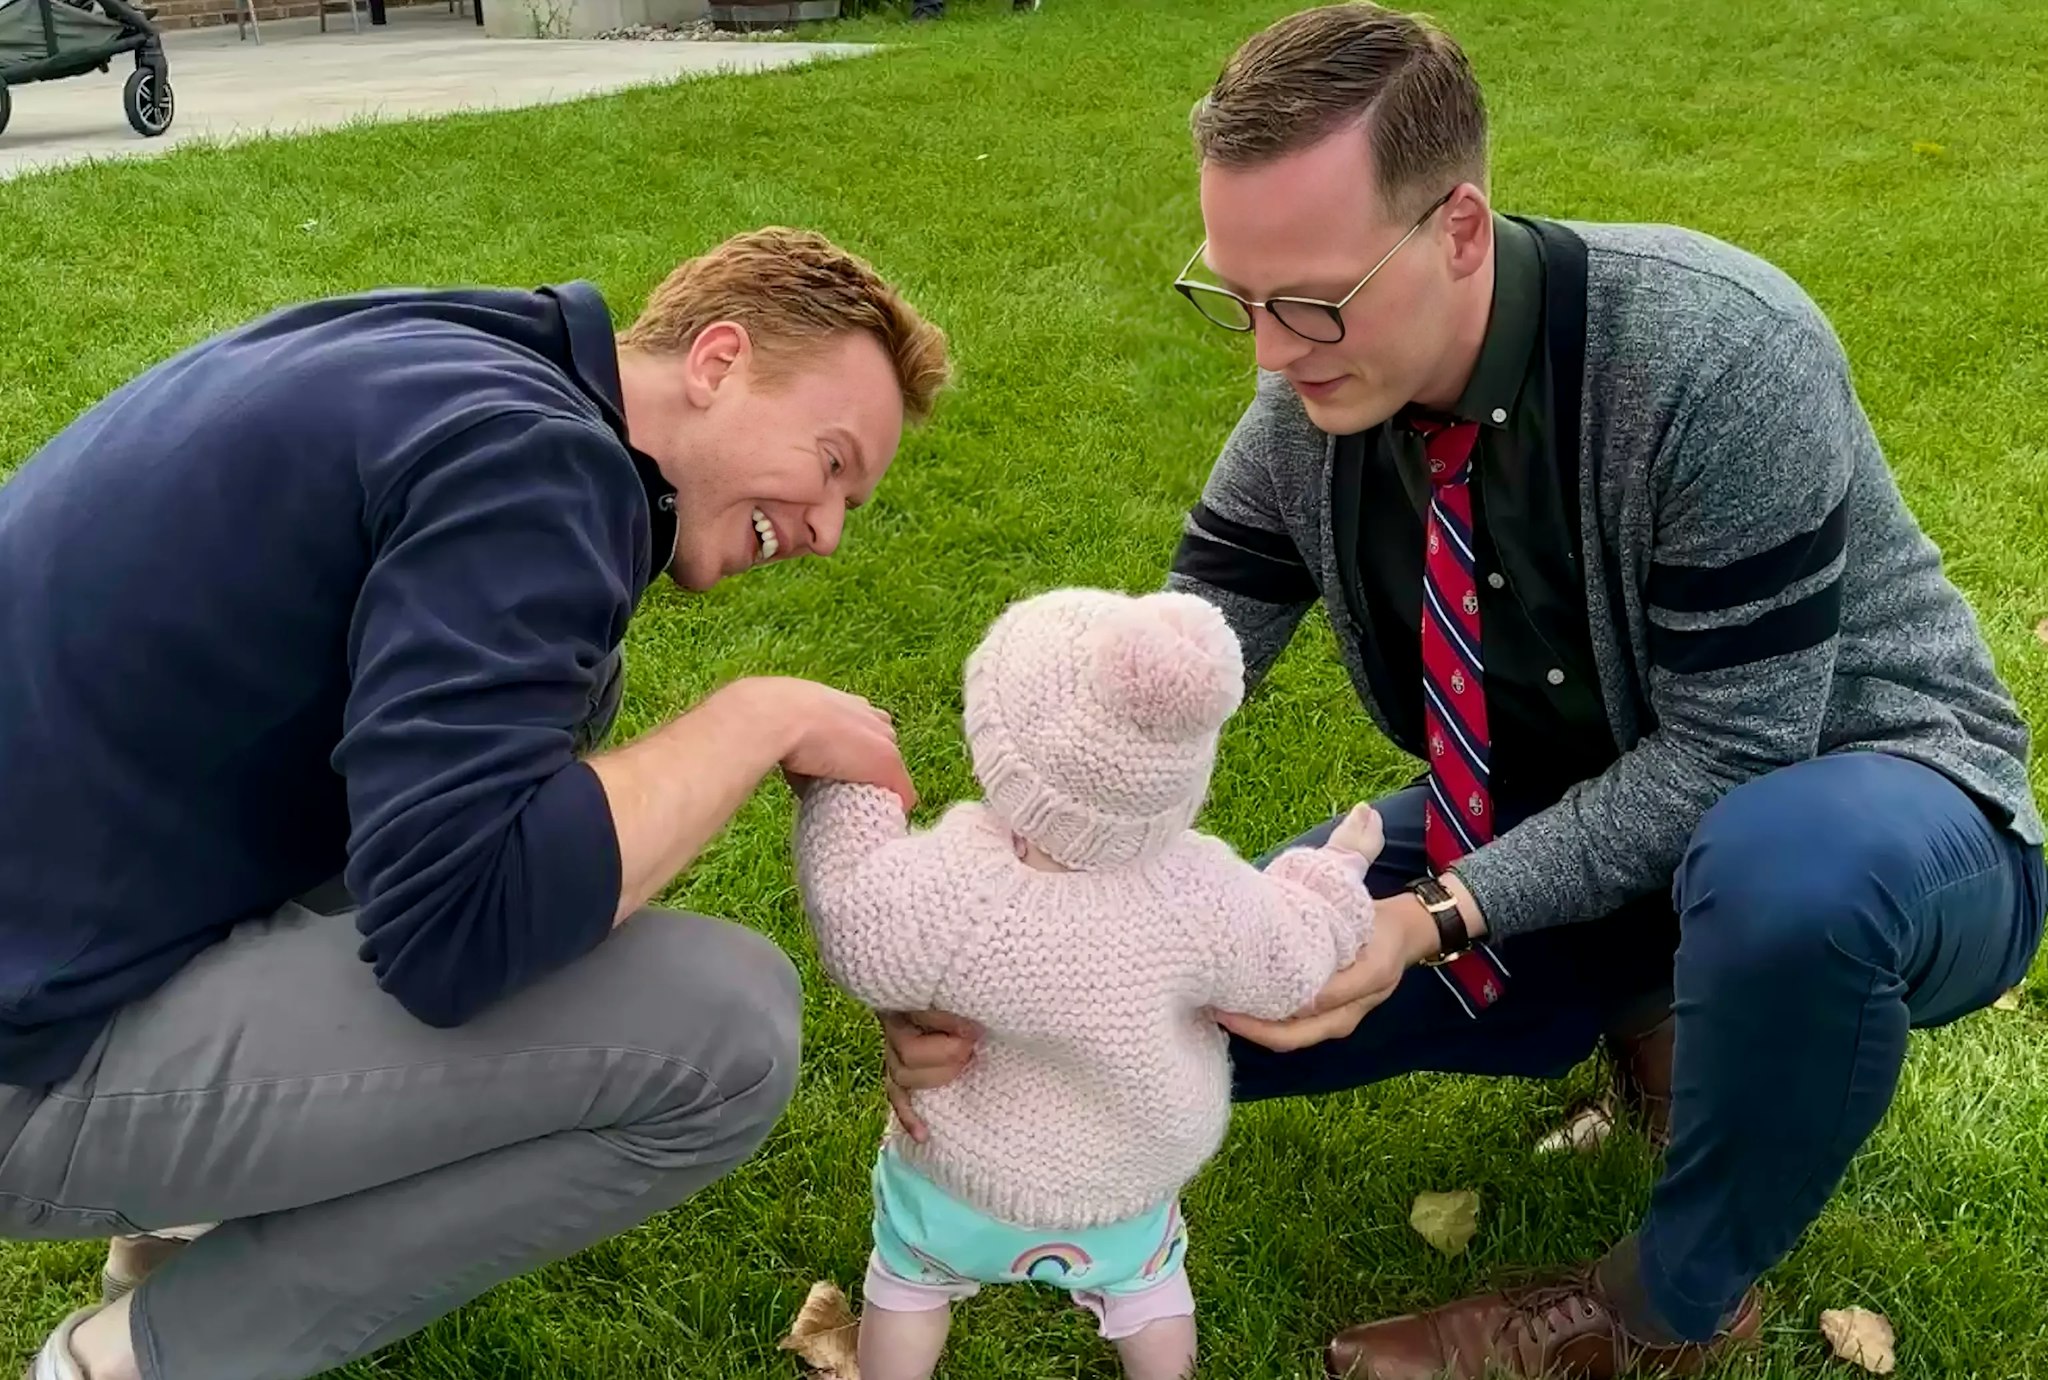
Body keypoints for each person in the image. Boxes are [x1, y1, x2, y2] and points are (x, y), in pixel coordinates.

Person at [877, 5, 2048, 1378]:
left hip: (1882, 820)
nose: (1268, 352)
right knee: (1165, 997)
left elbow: (1733, 756)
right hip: (1549, 825)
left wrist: (1426, 917)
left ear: (1461, 231)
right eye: (1236, 298)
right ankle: (1652, 1006)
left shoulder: (1716, 358)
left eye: (1311, 301)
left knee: (1782, 870)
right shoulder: (1305, 412)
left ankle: (1666, 1305)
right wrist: (998, 938)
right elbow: (1157, 685)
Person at [0, 227, 946, 1380]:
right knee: (727, 1037)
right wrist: (754, 720)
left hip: (64, 912)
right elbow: (464, 927)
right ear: (717, 360)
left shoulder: (455, 355)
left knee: (553, 715)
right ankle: (130, 1362)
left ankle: (165, 1241)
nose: (827, 532)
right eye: (831, 464)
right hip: (25, 1049)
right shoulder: (538, 468)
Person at [792, 587, 1385, 1380]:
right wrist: (1333, 873)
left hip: (956, 1179)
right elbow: (1293, 961)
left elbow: (856, 921)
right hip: (1126, 1193)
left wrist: (848, 785)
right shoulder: (1200, 893)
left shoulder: (958, 884)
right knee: (1151, 1291)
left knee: (907, 1281)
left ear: (996, 751)